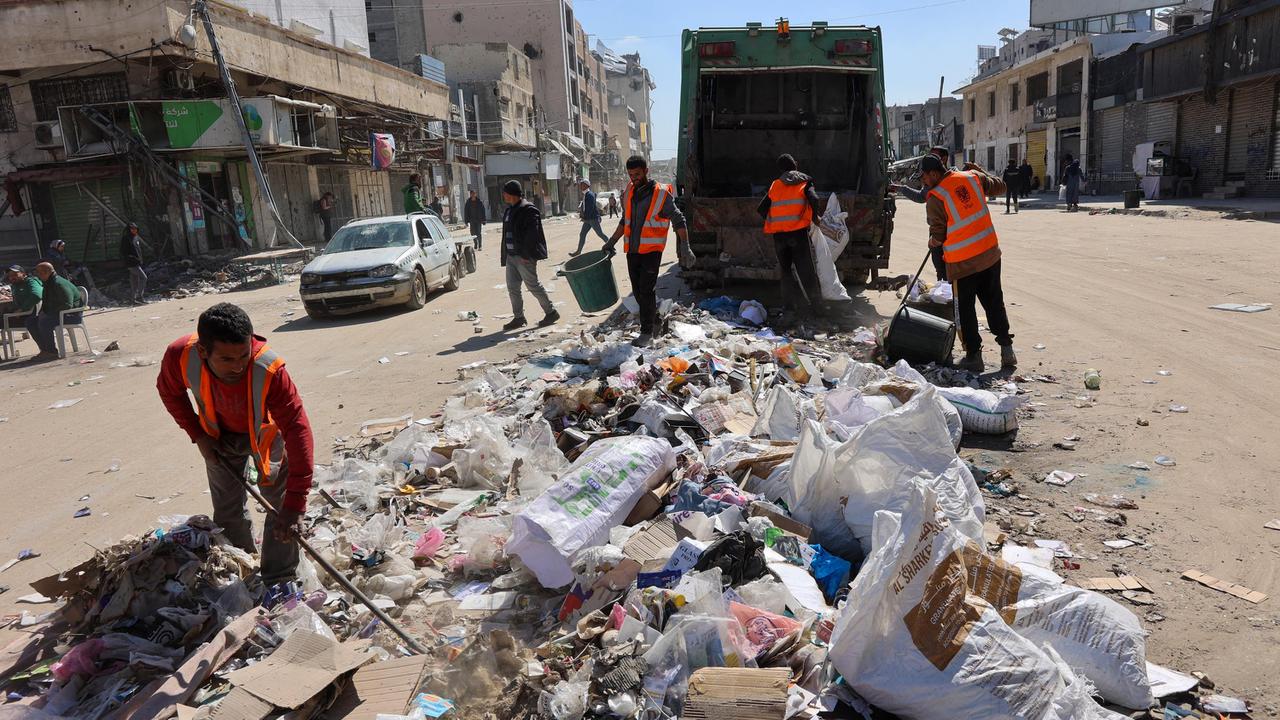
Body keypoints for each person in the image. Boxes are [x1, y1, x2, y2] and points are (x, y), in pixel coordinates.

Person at [156, 303, 314, 585]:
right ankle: (242, 565)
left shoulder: (270, 369)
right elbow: (170, 393)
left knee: (280, 508)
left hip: (264, 437)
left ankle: (279, 577)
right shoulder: (180, 355)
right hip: (215, 438)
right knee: (228, 509)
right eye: (227, 359)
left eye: (244, 355)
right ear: (204, 352)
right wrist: (199, 435)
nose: (239, 366)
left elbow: (297, 427)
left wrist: (296, 503)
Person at [919, 154, 1016, 372]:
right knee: (994, 302)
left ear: (934, 173)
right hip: (989, 255)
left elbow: (939, 235)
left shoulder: (935, 197)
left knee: (964, 310)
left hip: (962, 264)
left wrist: (931, 241)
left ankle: (974, 356)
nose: (923, 182)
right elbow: (1001, 186)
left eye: (924, 177)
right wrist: (981, 171)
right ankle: (1007, 350)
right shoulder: (973, 177)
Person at [604, 155, 689, 346]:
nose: (634, 178)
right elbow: (624, 221)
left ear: (646, 171)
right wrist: (611, 241)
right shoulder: (629, 192)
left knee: (646, 289)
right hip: (633, 251)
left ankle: (646, 331)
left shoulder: (660, 194)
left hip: (652, 251)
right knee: (638, 291)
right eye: (631, 174)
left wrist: (686, 246)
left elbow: (678, 219)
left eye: (637, 174)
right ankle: (656, 317)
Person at [756, 153, 823, 316]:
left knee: (785, 271)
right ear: (796, 164)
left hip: (779, 236)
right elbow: (814, 198)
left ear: (781, 169)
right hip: (798, 234)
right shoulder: (805, 181)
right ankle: (817, 308)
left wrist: (775, 220)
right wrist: (815, 216)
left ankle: (789, 308)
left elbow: (761, 209)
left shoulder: (775, 185)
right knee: (806, 270)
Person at [499, 180, 559, 331]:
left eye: (505, 192)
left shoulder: (528, 209)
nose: (503, 195)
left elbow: (533, 234)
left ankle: (551, 312)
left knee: (533, 286)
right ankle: (519, 318)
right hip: (511, 256)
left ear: (512, 193)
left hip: (524, 256)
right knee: (513, 288)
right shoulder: (509, 210)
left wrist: (526, 254)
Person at [889, 145, 953, 280]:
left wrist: (935, 240)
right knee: (941, 269)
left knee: (953, 269)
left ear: (945, 158)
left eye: (936, 156)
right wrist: (901, 188)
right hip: (938, 231)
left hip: (953, 232)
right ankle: (944, 294)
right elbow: (921, 196)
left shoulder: (954, 178)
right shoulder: (931, 179)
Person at [25, 262, 80, 360]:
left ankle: (51, 351)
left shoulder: (58, 283)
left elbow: (67, 305)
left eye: (38, 272)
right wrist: (43, 312)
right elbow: (46, 302)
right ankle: (45, 350)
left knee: (45, 322)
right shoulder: (48, 283)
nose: (37, 275)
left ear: (46, 272)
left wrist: (48, 313)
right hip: (58, 315)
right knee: (31, 322)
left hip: (71, 316)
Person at [572, 179, 609, 256]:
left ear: (587, 185)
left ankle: (611, 246)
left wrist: (585, 217)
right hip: (588, 219)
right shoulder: (586, 194)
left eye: (582, 184)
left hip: (592, 218)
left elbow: (591, 208)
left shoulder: (590, 195)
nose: (580, 186)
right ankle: (578, 251)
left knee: (600, 234)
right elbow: (585, 206)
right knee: (582, 234)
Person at [120, 222, 146, 304]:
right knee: (144, 278)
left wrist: (140, 260)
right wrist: (133, 258)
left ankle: (133, 300)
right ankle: (139, 297)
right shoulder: (126, 238)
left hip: (137, 263)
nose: (135, 230)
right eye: (132, 229)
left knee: (134, 282)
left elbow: (138, 250)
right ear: (129, 230)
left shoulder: (136, 237)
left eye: (135, 228)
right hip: (131, 263)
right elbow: (123, 252)